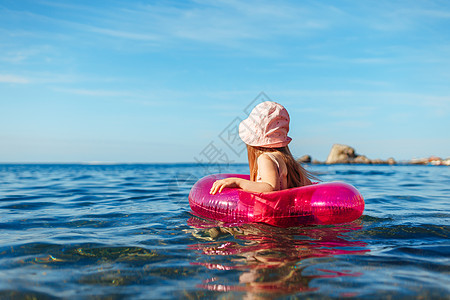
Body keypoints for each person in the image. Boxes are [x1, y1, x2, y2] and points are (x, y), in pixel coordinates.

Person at [210, 101, 316, 195]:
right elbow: (308, 185)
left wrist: (238, 182)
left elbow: (270, 188)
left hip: (266, 216)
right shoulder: (289, 161)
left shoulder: (266, 158)